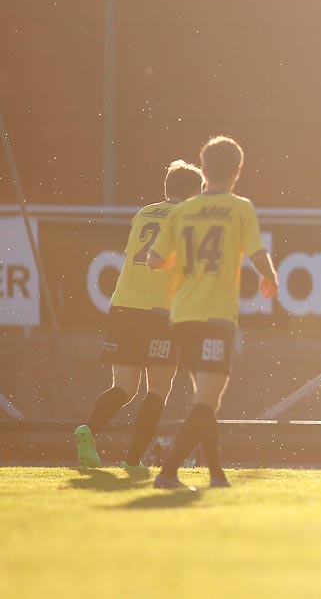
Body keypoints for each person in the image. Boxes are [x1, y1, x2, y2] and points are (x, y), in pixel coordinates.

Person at [146, 136, 278, 490]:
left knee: (206, 396)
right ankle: (168, 472)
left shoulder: (183, 211)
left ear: (202, 170)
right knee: (207, 400)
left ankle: (217, 475)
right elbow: (256, 252)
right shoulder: (240, 208)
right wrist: (270, 276)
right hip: (215, 317)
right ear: (238, 172)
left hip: (183, 316)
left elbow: (154, 260)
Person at [74, 160, 204, 472]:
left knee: (125, 388)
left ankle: (88, 430)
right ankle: (132, 461)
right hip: (159, 310)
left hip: (123, 306)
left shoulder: (144, 213)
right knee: (157, 388)